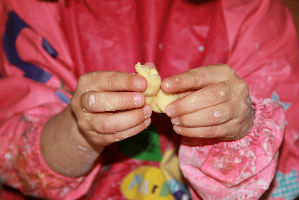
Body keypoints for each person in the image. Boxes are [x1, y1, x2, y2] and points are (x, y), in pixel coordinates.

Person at [0, 0, 298, 199]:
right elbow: (13, 154)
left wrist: (240, 129)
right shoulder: (36, 13)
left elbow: (284, 170)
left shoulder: (253, 14)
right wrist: (78, 132)